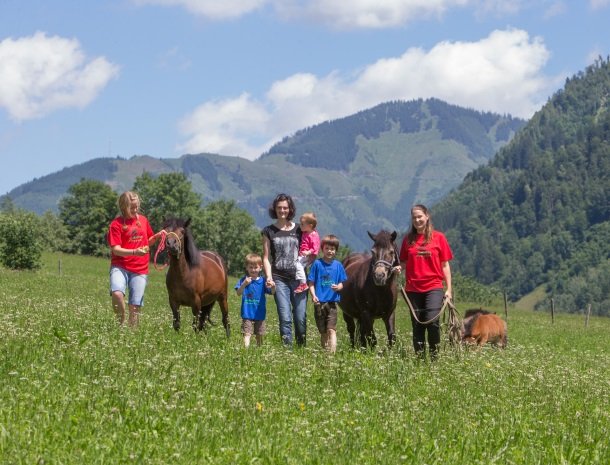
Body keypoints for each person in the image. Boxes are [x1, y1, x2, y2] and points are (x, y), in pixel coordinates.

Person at [399, 204, 453, 359]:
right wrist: (397, 269)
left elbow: (445, 265)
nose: (417, 220)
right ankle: (420, 360)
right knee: (417, 326)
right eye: (414, 218)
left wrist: (449, 290)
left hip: (434, 287)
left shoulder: (439, 237)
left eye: (419, 217)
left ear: (427, 216)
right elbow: (403, 262)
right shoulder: (408, 240)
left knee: (433, 322)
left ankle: (434, 358)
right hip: (413, 288)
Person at [107, 191, 164, 327]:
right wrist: (134, 252)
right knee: (117, 293)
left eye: (137, 206)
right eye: (132, 207)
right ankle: (120, 324)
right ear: (123, 207)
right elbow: (115, 249)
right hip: (120, 266)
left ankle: (132, 335)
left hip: (140, 269)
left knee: (135, 306)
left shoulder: (143, 220)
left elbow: (148, 241)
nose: (135, 209)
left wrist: (156, 236)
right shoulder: (116, 224)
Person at [262, 193, 308, 347]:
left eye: (285, 208)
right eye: (279, 207)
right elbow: (266, 257)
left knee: (300, 317)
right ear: (275, 209)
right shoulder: (268, 231)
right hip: (278, 278)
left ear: (290, 209)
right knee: (285, 317)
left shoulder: (300, 229)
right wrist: (268, 277)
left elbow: (310, 249)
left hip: (298, 279)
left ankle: (301, 347)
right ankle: (286, 350)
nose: (282, 210)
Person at [307, 234, 347, 353]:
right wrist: (314, 295)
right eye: (327, 248)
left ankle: (332, 354)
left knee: (331, 330)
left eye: (332, 249)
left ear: (336, 250)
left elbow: (342, 283)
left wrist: (338, 287)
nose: (330, 251)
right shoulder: (317, 264)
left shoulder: (338, 266)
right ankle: (325, 353)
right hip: (319, 303)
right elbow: (311, 283)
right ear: (322, 249)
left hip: (332, 304)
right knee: (323, 332)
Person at [235, 253, 275, 348]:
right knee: (247, 333)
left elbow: (272, 292)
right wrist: (244, 284)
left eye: (255, 267)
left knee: (259, 334)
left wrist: (273, 286)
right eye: (251, 267)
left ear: (260, 267)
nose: (253, 270)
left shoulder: (263, 281)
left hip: (259, 313)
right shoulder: (243, 280)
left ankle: (259, 350)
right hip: (247, 313)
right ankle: (246, 351)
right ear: (247, 268)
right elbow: (238, 293)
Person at [294, 212, 320, 294]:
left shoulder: (313, 235)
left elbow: (315, 247)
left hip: (308, 255)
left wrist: (308, 252)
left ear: (310, 226)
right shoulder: (305, 232)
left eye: (302, 224)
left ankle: (303, 284)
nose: (300, 225)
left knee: (298, 265)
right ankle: (302, 282)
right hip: (303, 254)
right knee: (299, 266)